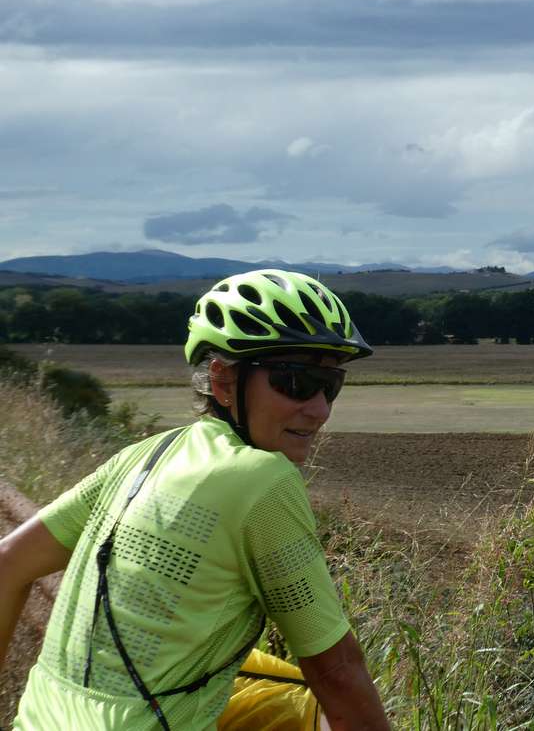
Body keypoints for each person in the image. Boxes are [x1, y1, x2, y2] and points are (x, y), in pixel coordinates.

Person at [0, 270, 390, 730]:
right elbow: (337, 670)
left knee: (277, 687)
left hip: (39, 719)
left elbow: (8, 561)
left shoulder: (143, 454)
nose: (320, 409)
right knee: (308, 704)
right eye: (296, 382)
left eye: (331, 385)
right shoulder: (264, 479)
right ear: (224, 381)